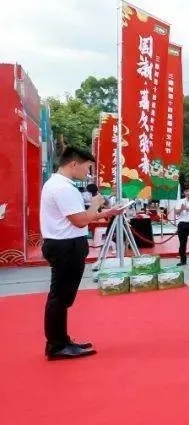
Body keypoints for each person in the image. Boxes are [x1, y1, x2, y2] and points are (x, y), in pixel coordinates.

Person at [40, 146, 123, 360]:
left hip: (66, 244)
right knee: (60, 298)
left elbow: (78, 216)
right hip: (65, 246)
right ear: (74, 164)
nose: (88, 173)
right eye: (87, 168)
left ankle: (61, 340)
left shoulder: (60, 185)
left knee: (62, 297)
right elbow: (80, 221)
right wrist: (95, 205)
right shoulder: (62, 188)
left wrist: (107, 212)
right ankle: (56, 346)